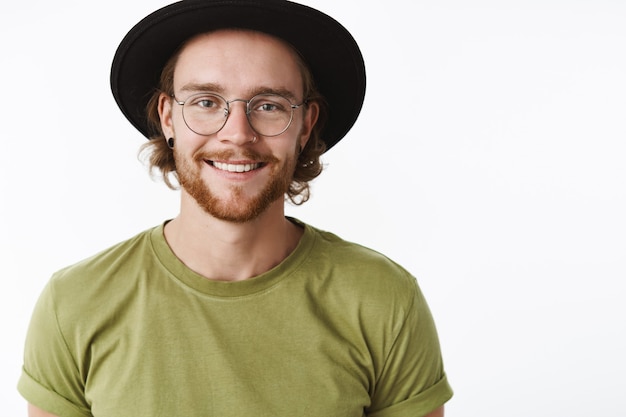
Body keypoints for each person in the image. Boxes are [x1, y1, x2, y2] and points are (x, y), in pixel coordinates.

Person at [18, 0, 453, 416]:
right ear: (168, 118)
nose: (237, 135)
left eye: (269, 106)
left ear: (306, 125)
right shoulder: (75, 304)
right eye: (206, 102)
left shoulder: (385, 301)